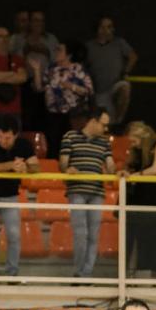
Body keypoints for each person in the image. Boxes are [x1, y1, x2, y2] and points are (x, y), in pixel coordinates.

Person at [0, 116, 38, 277]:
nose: (3, 141)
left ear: (16, 136)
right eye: (0, 136)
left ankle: (12, 273)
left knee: (14, 235)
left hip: (10, 195)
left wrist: (26, 167)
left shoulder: (24, 145)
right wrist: (12, 165)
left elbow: (36, 166)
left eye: (7, 138)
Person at [59, 108, 115, 278]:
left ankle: (86, 273)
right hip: (77, 190)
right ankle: (79, 272)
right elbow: (63, 163)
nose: (106, 129)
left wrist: (112, 170)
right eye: (103, 124)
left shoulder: (104, 143)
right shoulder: (70, 137)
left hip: (97, 191)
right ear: (93, 121)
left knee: (93, 235)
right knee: (81, 233)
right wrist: (68, 169)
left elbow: (110, 163)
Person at [123, 121, 156, 278]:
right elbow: (130, 168)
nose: (133, 144)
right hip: (138, 197)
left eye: (134, 140)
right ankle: (131, 273)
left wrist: (136, 176)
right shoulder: (136, 151)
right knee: (136, 235)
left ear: (142, 136)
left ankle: (154, 274)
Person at [36, 41, 95, 162]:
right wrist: (37, 70)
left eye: (60, 50)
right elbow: (39, 88)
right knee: (52, 145)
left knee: (70, 145)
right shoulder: (52, 69)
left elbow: (89, 91)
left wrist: (71, 86)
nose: (56, 52)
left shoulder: (78, 69)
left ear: (68, 54)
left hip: (72, 115)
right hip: (52, 114)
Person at [86, 17, 137, 127]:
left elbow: (133, 56)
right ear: (97, 29)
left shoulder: (119, 43)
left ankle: (119, 120)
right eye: (103, 27)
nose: (106, 30)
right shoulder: (89, 46)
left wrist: (125, 71)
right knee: (103, 120)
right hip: (98, 90)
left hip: (115, 86)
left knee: (124, 87)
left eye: (109, 27)